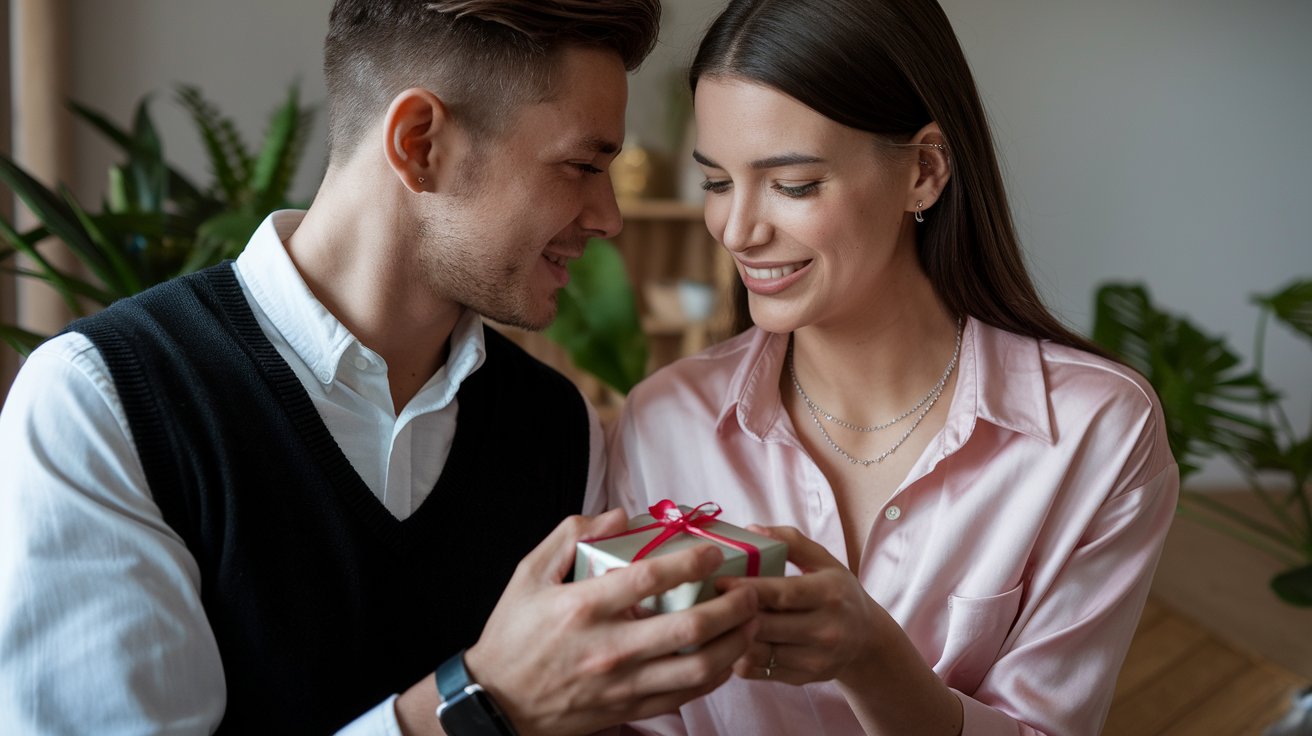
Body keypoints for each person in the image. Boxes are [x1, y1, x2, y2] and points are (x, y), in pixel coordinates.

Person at [0, 1, 761, 734]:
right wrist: (483, 706)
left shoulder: (561, 428)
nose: (608, 217)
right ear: (420, 142)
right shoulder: (103, 405)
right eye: (579, 166)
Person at [606, 0, 1180, 734]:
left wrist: (873, 657)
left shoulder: (1093, 432)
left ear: (925, 171)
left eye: (793, 184)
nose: (737, 229)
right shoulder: (665, 421)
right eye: (717, 182)